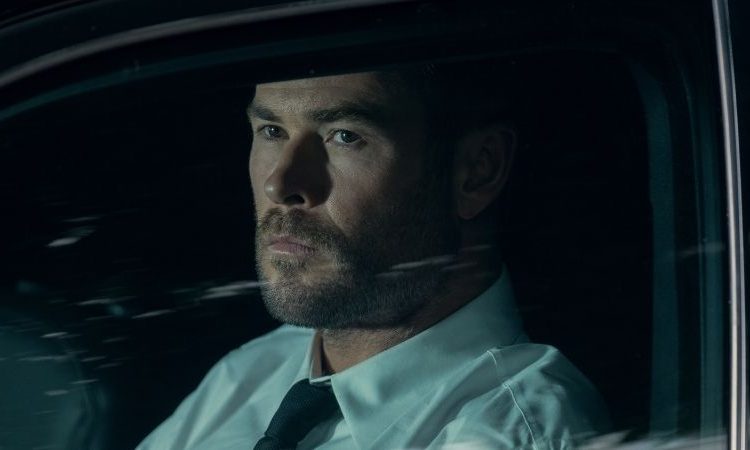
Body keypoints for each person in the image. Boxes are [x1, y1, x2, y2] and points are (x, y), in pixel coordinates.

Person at [137, 64, 610, 449]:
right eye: (272, 130)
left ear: (477, 170)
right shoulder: (255, 371)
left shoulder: (511, 433)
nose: (280, 184)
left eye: (345, 136)